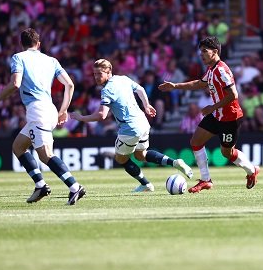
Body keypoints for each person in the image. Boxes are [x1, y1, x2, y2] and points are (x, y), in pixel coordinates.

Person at [0, 28, 86, 205]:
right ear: (38, 44)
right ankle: (40, 186)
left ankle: (74, 186)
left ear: (21, 44)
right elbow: (69, 84)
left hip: (37, 111)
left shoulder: (18, 57)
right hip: (49, 109)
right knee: (18, 147)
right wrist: (63, 110)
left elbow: (15, 84)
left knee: (45, 155)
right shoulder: (51, 60)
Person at [70, 59, 194, 192]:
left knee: (121, 159)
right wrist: (146, 105)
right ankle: (175, 162)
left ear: (109, 72)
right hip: (143, 123)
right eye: (94, 74)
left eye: (99, 74)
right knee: (141, 155)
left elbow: (102, 115)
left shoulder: (107, 90)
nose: (96, 77)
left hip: (129, 128)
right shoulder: (123, 79)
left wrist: (81, 118)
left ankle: (145, 184)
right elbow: (140, 89)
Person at [158, 36, 260, 193]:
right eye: (200, 52)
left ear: (215, 51)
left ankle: (252, 170)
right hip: (217, 114)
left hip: (230, 117)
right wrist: (175, 86)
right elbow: (199, 83)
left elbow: (233, 94)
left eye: (205, 51)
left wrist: (212, 108)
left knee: (227, 152)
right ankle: (206, 180)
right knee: (196, 141)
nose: (202, 55)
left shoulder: (221, 70)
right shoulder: (211, 70)